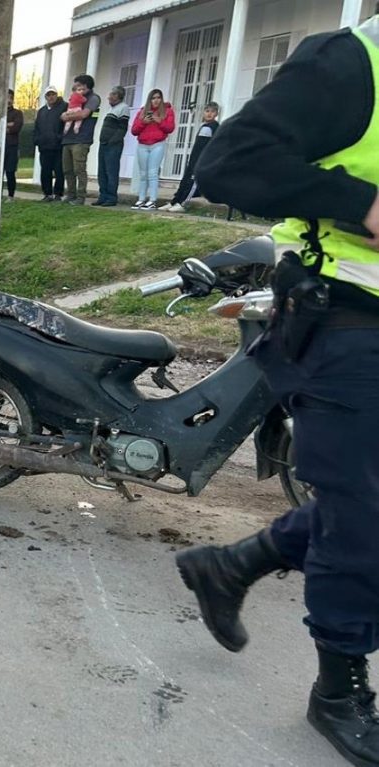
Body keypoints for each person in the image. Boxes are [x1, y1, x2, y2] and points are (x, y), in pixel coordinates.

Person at [178, 13, 379, 766]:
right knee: (363, 516)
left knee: (363, 503)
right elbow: (228, 162)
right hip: (343, 319)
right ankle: (339, 689)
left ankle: (230, 564)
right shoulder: (352, 62)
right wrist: (359, 202)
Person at [160, 101, 220, 213]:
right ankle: (175, 201)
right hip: (194, 159)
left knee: (193, 183)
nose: (209, 114)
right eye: (207, 111)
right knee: (185, 180)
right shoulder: (204, 126)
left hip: (202, 160)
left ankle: (183, 203)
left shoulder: (214, 127)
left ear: (216, 113)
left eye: (212, 111)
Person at [129, 88, 175, 210]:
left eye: (158, 98)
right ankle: (141, 199)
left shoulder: (167, 111)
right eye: (153, 98)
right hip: (142, 145)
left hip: (157, 144)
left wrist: (159, 120)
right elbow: (134, 130)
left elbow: (170, 128)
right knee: (143, 174)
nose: (156, 100)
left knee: (153, 173)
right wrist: (143, 122)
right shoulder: (142, 112)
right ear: (150, 99)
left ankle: (153, 200)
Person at [59, 74, 101, 205]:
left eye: (78, 84)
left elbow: (84, 114)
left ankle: (81, 197)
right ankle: (71, 194)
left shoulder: (93, 98)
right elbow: (64, 114)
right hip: (68, 139)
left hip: (82, 139)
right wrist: (65, 116)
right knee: (67, 169)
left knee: (79, 168)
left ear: (86, 85)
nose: (76, 87)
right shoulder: (74, 97)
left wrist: (67, 117)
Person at [93, 86, 130, 207]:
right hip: (103, 144)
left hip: (113, 146)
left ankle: (111, 197)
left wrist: (112, 141)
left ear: (118, 96)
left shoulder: (123, 108)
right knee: (102, 172)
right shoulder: (110, 109)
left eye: (112, 95)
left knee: (111, 171)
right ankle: (102, 196)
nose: (109, 97)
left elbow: (122, 128)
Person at [33, 85, 67, 202]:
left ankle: (58, 194)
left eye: (53, 94)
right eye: (49, 95)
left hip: (58, 146)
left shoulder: (64, 107)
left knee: (59, 171)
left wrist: (60, 138)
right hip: (44, 147)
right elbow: (37, 127)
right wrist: (37, 140)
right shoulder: (41, 111)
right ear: (45, 97)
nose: (51, 97)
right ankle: (47, 193)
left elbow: (67, 126)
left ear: (56, 95)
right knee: (45, 171)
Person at [4, 90, 24, 202]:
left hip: (12, 146)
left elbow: (16, 127)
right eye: (6, 97)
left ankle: (10, 195)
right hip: (0, 147)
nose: (8, 100)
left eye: (10, 97)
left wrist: (5, 126)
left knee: (10, 172)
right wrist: (8, 124)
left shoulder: (17, 113)